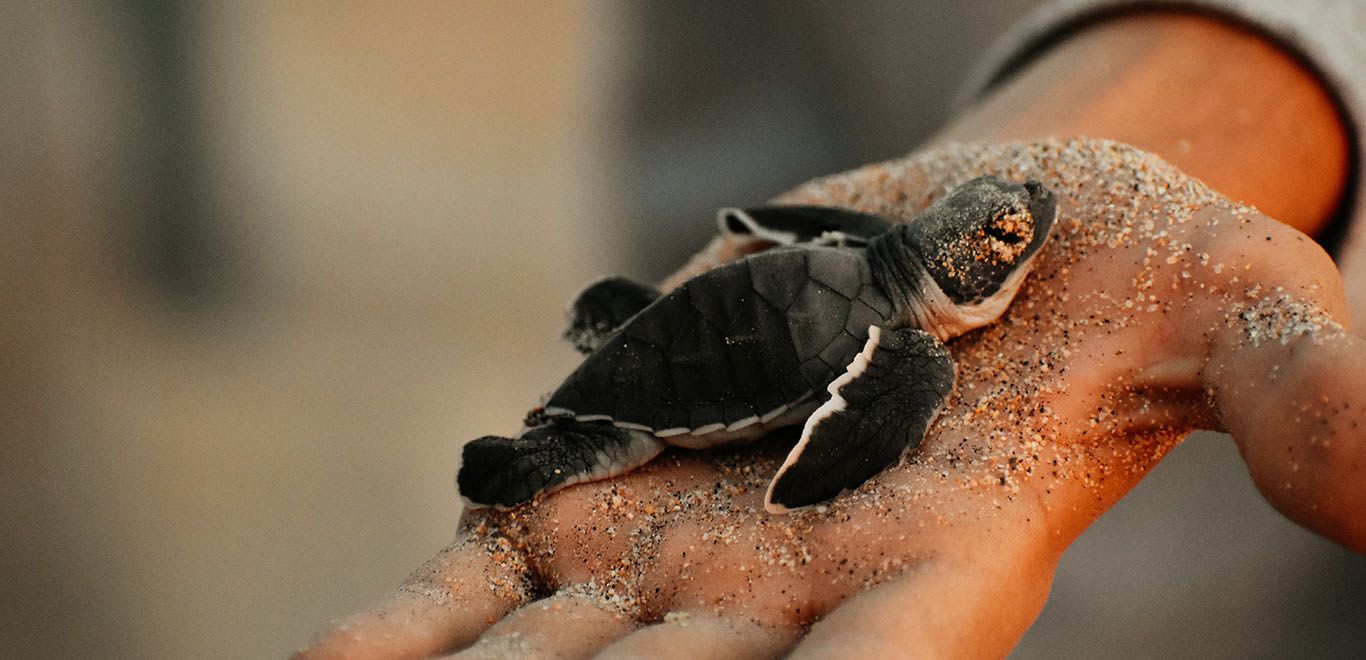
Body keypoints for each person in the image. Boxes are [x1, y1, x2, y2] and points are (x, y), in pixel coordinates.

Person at [296, 5, 1366, 659]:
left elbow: (769, 226)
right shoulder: (904, 354)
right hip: (731, 313)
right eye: (1001, 225)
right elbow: (739, 197)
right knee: (612, 440)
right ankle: (551, 443)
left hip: (1219, 617)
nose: (1026, 227)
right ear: (949, 260)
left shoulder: (876, 267)